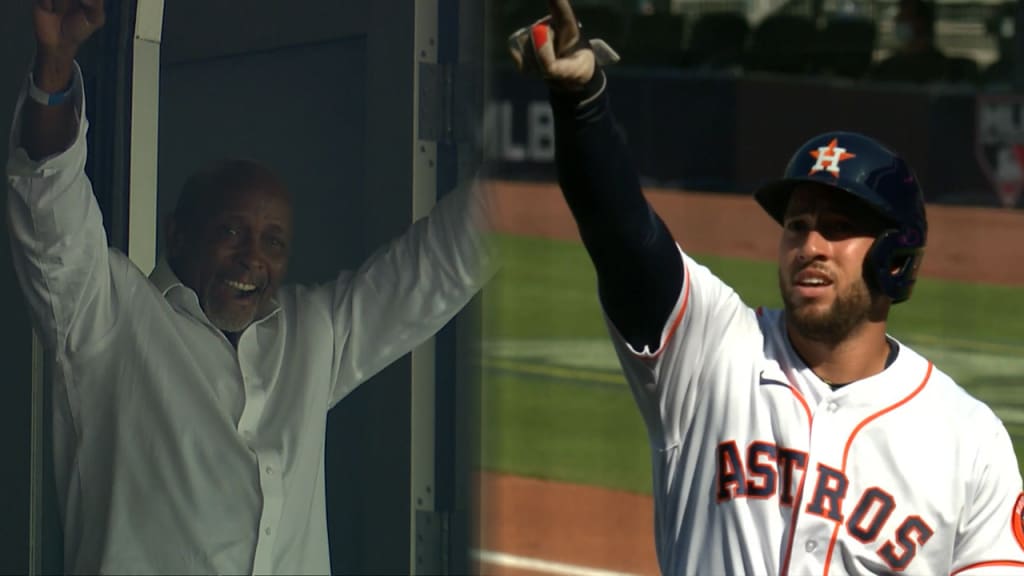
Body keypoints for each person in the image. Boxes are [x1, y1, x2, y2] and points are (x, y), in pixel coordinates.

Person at [510, 1, 1024, 573]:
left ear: (895, 257)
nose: (811, 246)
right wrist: (583, 107)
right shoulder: (712, 352)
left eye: (839, 229)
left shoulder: (968, 439)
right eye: (797, 227)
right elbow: (624, 238)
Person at [8, 0, 494, 573]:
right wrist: (56, 64)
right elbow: (50, 202)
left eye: (274, 242)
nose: (252, 259)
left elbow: (435, 270)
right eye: (232, 231)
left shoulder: (311, 338)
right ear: (179, 236)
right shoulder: (109, 320)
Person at [869, 0, 958, 84]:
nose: (896, 21)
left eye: (903, 17)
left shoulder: (943, 68)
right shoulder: (887, 67)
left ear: (920, 22)